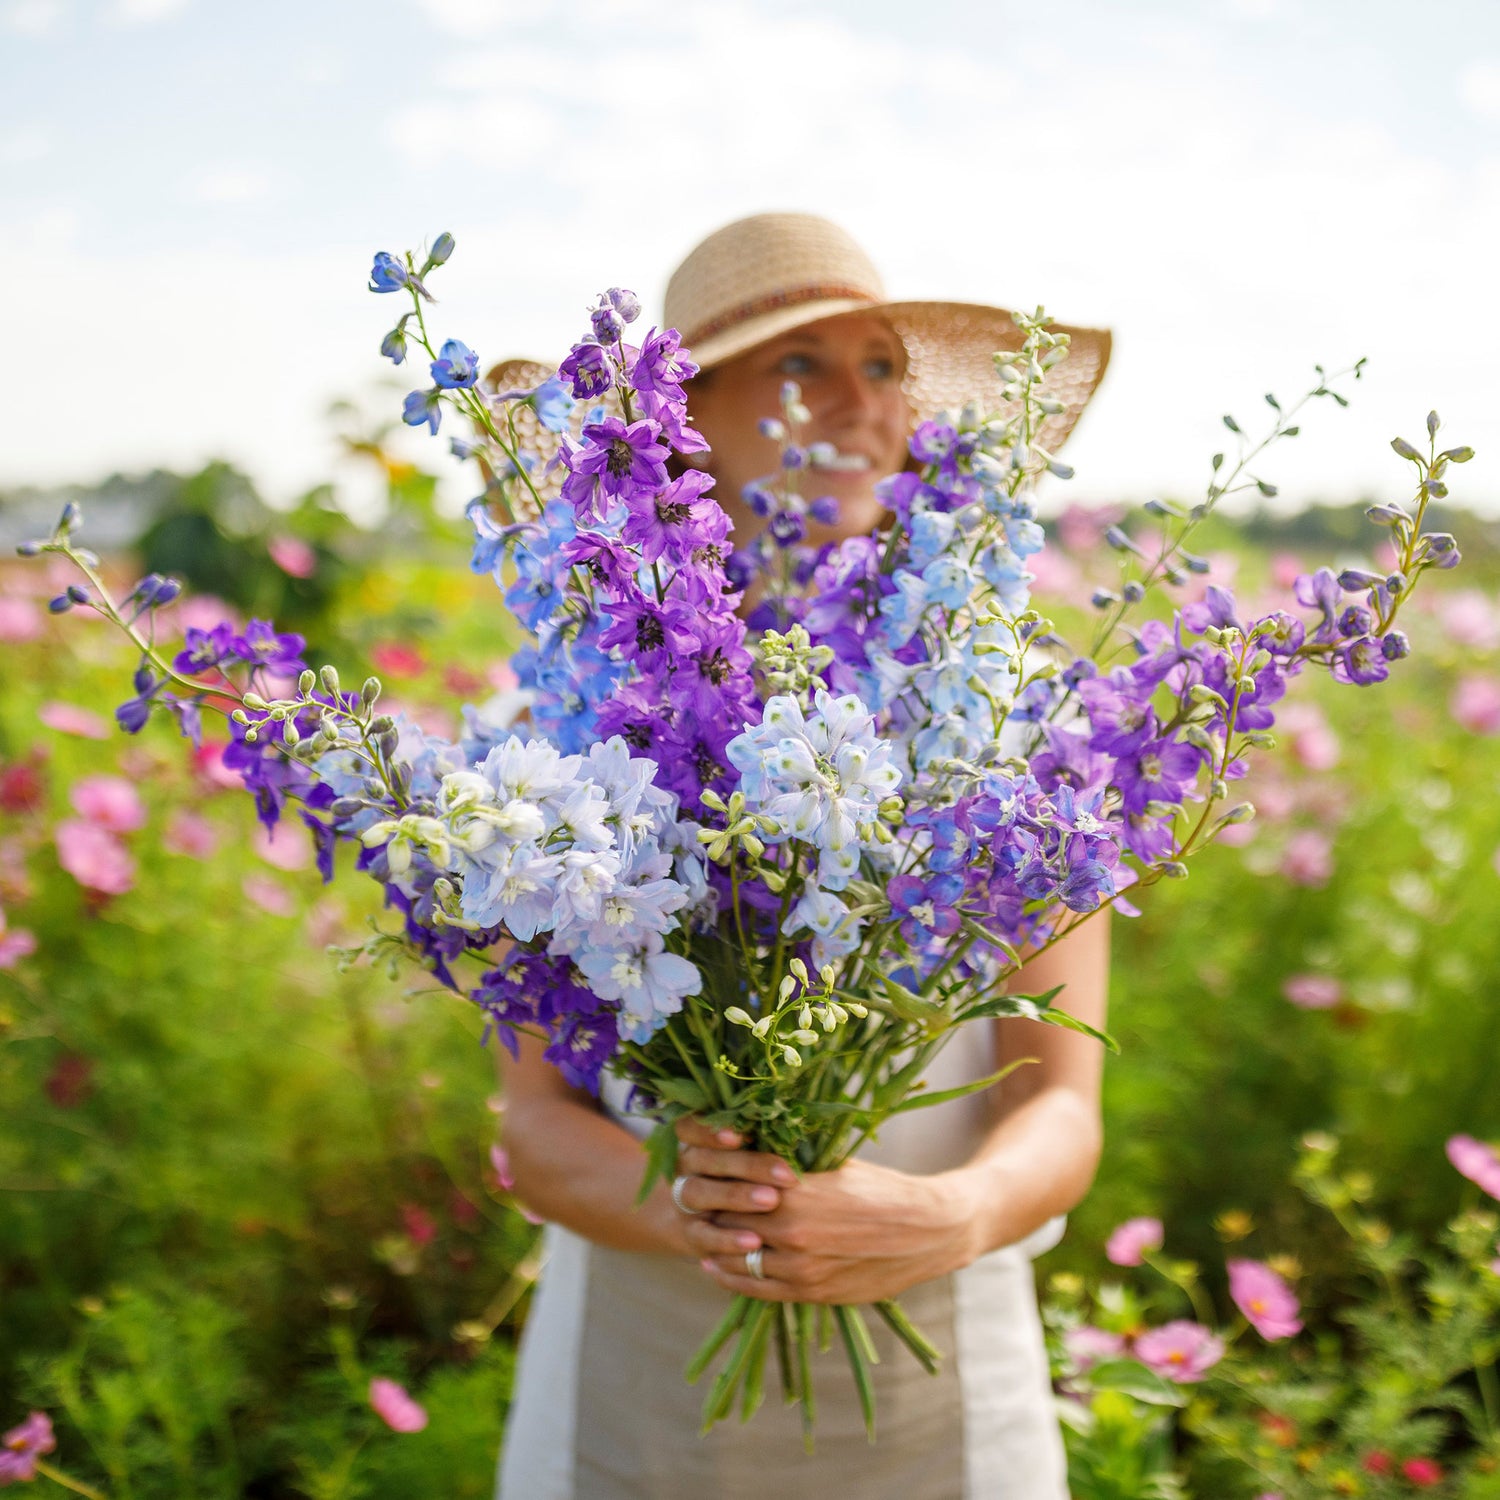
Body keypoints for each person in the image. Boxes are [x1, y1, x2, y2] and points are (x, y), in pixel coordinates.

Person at [494, 213, 1113, 1500]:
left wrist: (942, 1217)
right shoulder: (563, 732)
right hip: (644, 1363)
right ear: (682, 420)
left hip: (942, 1343)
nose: (856, 405)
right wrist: (706, 1216)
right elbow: (532, 1127)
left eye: (882, 366)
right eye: (797, 365)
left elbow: (1060, 1100)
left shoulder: (1010, 714)